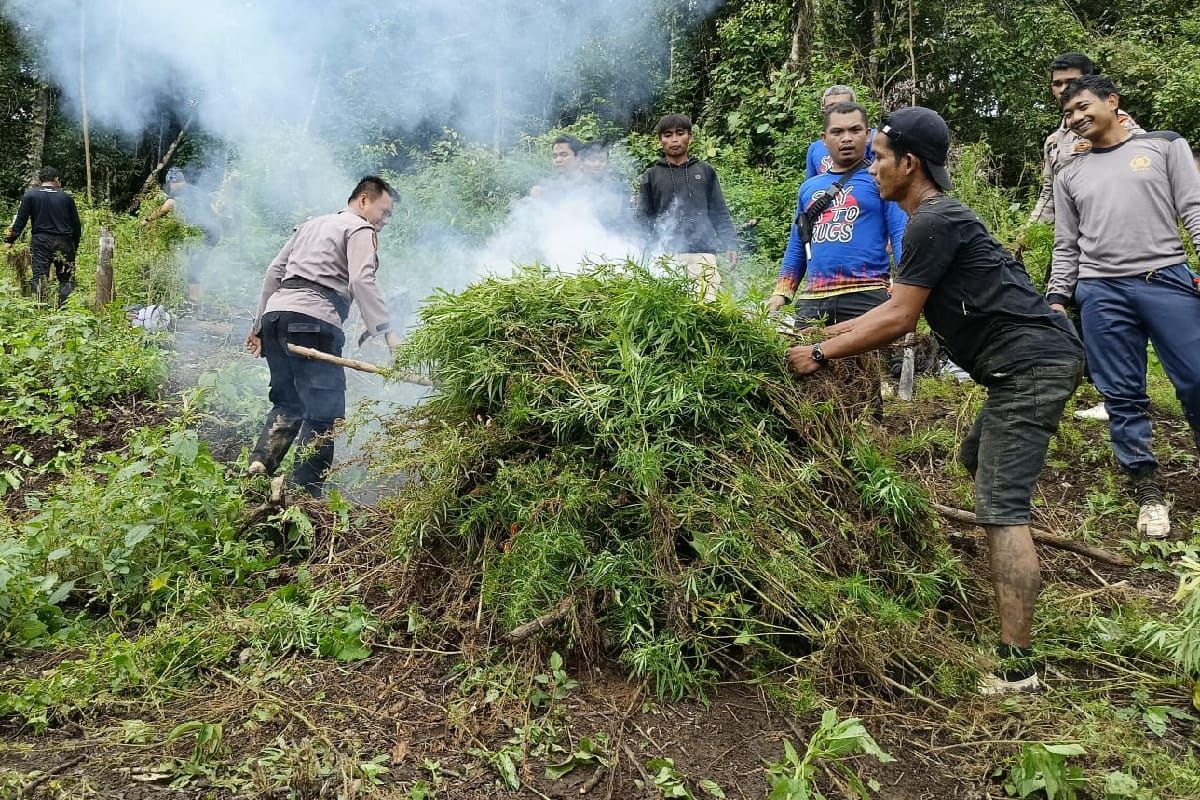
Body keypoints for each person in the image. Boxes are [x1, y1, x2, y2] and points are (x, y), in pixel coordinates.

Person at [786, 107, 1083, 695]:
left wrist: (820, 357)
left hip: (1032, 367)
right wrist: (822, 336)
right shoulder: (932, 216)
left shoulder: (931, 220)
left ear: (909, 163)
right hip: (1021, 369)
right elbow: (892, 307)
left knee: (1000, 505)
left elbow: (899, 318)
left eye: (877, 157)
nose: (870, 167)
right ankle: (1009, 527)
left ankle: (1018, 665)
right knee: (979, 463)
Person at [1048, 75, 1200, 539]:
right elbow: (1066, 242)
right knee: (1122, 394)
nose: (1075, 118)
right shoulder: (1068, 171)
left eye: (1083, 106)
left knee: (1195, 377)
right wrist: (1058, 295)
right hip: (1100, 290)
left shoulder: (1164, 147)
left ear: (1113, 102)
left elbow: (1194, 208)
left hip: (1165, 278)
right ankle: (1147, 489)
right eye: (1068, 113)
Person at [244, 176, 403, 497]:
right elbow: (362, 280)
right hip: (313, 323)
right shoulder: (360, 229)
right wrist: (389, 334)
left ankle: (259, 467)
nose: (385, 221)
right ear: (363, 201)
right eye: (384, 212)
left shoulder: (311, 225)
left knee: (288, 402)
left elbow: (274, 272)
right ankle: (305, 498)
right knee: (325, 415)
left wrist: (260, 326)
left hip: (277, 319)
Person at [1023, 53, 1142, 423]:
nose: (1062, 91)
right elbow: (1048, 191)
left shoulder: (1126, 129)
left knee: (1118, 319)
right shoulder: (1055, 140)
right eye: (1057, 84)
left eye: (1070, 83)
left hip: (1115, 240)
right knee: (1064, 310)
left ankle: (1121, 395)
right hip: (1070, 241)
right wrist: (1028, 232)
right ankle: (1080, 383)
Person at [767, 101, 906, 325]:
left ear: (869, 135)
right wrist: (781, 292)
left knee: (875, 360)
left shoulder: (881, 179)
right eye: (837, 132)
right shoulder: (809, 188)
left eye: (855, 130)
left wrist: (905, 286)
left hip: (868, 295)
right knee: (801, 358)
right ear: (824, 138)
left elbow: (900, 233)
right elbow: (798, 242)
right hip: (814, 300)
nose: (847, 138)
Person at [636, 113, 739, 301]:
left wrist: (730, 243)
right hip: (665, 256)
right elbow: (643, 219)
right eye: (667, 135)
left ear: (690, 137)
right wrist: (644, 251)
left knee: (706, 308)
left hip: (703, 253)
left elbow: (719, 211)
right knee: (668, 312)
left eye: (680, 133)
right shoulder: (651, 175)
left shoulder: (705, 171)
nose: (674, 140)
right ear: (660, 140)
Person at [141, 167, 222, 303]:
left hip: (202, 234)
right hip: (214, 232)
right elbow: (216, 212)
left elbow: (165, 208)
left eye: (169, 184)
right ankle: (198, 295)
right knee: (197, 261)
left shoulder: (177, 192)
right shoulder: (198, 191)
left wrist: (146, 220)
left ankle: (194, 301)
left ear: (172, 182)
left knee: (193, 268)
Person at [3, 166, 82, 306]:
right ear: (56, 179)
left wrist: (9, 240)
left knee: (39, 276)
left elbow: (20, 220)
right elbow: (76, 225)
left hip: (41, 241)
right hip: (64, 241)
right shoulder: (66, 197)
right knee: (66, 278)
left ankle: (40, 307)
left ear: (40, 181)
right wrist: (74, 245)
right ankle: (65, 309)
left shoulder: (30, 195)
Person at [804, 85, 875, 179]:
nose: (836, 112)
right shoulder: (815, 148)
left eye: (843, 106)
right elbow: (811, 185)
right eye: (830, 108)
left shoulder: (874, 138)